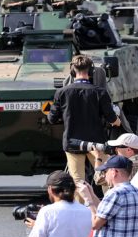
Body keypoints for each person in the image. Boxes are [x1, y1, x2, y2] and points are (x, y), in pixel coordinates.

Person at [48, 54, 121, 202]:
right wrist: (118, 122)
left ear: (72, 71)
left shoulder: (62, 92)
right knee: (106, 178)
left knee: (77, 181)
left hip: (72, 143)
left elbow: (52, 119)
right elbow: (112, 119)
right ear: (91, 70)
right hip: (97, 144)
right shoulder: (100, 92)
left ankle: (81, 210)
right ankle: (110, 206)